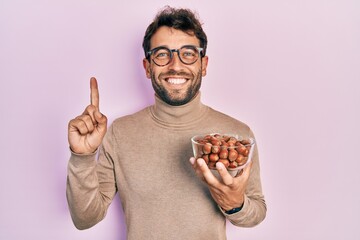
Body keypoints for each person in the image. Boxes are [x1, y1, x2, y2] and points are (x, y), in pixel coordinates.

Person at [66, 6, 266, 240]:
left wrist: (235, 204)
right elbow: (85, 218)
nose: (175, 65)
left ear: (204, 64)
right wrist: (82, 157)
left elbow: (257, 212)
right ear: (148, 67)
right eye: (162, 54)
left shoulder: (236, 135)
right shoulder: (120, 132)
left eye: (188, 53)